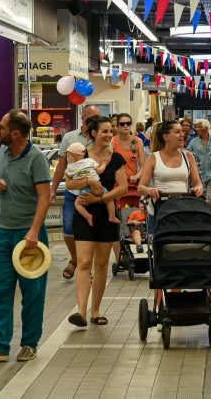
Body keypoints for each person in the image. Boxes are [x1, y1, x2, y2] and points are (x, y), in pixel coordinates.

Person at [0, 110, 50, 364]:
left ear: (15, 133)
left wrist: (34, 231)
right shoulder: (3, 152)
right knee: (0, 291)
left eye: (2, 127)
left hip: (29, 235)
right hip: (1, 232)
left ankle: (29, 344)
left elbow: (44, 197)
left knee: (32, 292)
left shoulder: (36, 159)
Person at [66, 117, 129, 328]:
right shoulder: (82, 156)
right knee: (84, 262)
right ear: (93, 134)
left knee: (101, 264)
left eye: (111, 131)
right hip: (84, 213)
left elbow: (123, 187)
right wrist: (89, 181)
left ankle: (95, 310)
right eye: (105, 131)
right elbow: (70, 182)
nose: (109, 135)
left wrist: (100, 198)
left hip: (107, 214)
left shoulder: (116, 159)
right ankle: (81, 312)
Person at [50, 105, 100, 281]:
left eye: (98, 117)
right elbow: (61, 165)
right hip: (73, 191)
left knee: (91, 230)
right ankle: (75, 259)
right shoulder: (70, 137)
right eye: (93, 117)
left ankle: (85, 266)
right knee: (69, 230)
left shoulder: (100, 137)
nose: (96, 120)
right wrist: (53, 189)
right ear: (83, 117)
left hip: (94, 193)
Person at [139, 119, 203, 233]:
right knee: (159, 247)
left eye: (182, 132)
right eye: (177, 132)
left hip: (182, 210)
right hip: (159, 212)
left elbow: (198, 183)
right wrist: (149, 190)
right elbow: (140, 188)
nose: (182, 134)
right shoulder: (153, 158)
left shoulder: (188, 156)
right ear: (166, 137)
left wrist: (198, 188)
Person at [187, 119, 211, 211]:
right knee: (199, 198)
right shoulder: (194, 141)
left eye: (198, 127)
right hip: (198, 175)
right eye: (196, 127)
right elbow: (187, 153)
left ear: (205, 128)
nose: (196, 129)